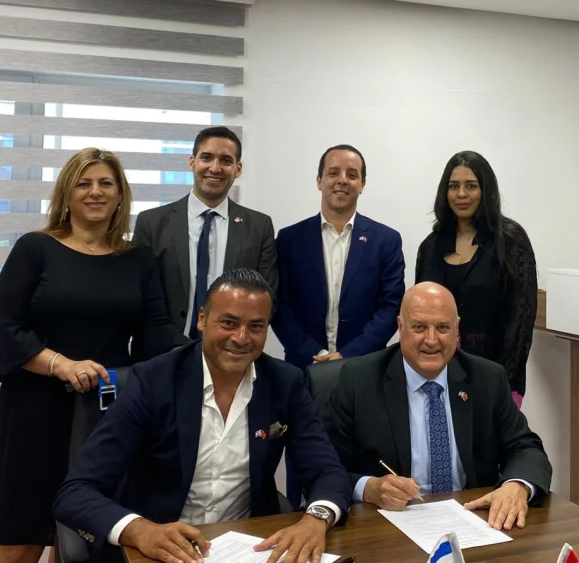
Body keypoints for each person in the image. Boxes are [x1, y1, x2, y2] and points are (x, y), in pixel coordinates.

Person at [53, 269, 352, 563]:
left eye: (256, 327)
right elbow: (76, 492)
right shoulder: (153, 381)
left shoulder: (286, 383)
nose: (241, 338)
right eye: (229, 322)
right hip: (158, 547)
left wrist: (316, 519)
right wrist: (140, 530)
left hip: (248, 547)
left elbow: (327, 470)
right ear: (202, 320)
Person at [0, 148, 185, 563]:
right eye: (84, 183)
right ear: (66, 194)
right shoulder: (35, 248)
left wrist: (198, 353)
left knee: (82, 537)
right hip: (35, 412)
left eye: (106, 183)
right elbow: (5, 329)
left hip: (104, 413)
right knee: (23, 537)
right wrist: (61, 364)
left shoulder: (137, 258)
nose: (95, 192)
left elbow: (156, 331)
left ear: (121, 195)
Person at [325, 282, 551, 530]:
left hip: (473, 521)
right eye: (419, 327)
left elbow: (526, 448)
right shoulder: (359, 380)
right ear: (400, 327)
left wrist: (515, 486)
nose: (431, 340)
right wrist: (369, 488)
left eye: (443, 328)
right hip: (387, 527)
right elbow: (325, 468)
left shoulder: (487, 378)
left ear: (457, 329)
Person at [415, 151, 536, 408]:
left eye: (471, 186)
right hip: (438, 376)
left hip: (498, 376)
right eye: (453, 186)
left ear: (486, 190)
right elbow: (420, 314)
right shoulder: (430, 247)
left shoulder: (511, 241)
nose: (461, 194)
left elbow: (522, 320)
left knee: (489, 447)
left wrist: (505, 380)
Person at [133, 126, 278, 340]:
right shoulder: (151, 223)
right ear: (192, 162)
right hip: (161, 355)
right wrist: (173, 345)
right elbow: (140, 296)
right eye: (207, 157)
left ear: (238, 169)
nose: (215, 168)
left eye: (226, 160)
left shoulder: (259, 226)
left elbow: (267, 298)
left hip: (231, 351)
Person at [272, 144, 404, 368]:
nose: (342, 180)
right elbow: (280, 307)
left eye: (352, 175)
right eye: (333, 173)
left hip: (364, 368)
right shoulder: (289, 239)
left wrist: (348, 356)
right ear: (319, 181)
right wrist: (315, 353)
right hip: (303, 367)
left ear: (362, 184)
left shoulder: (386, 241)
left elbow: (390, 308)